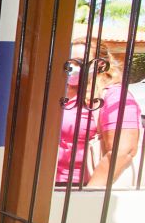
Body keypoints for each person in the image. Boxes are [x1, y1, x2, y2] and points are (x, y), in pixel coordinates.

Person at [56, 41, 141, 187]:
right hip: (49, 183)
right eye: (68, 61)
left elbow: (123, 151)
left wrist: (89, 194)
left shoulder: (114, 96)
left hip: (81, 186)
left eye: (80, 62)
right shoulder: (61, 92)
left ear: (100, 64)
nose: (72, 67)